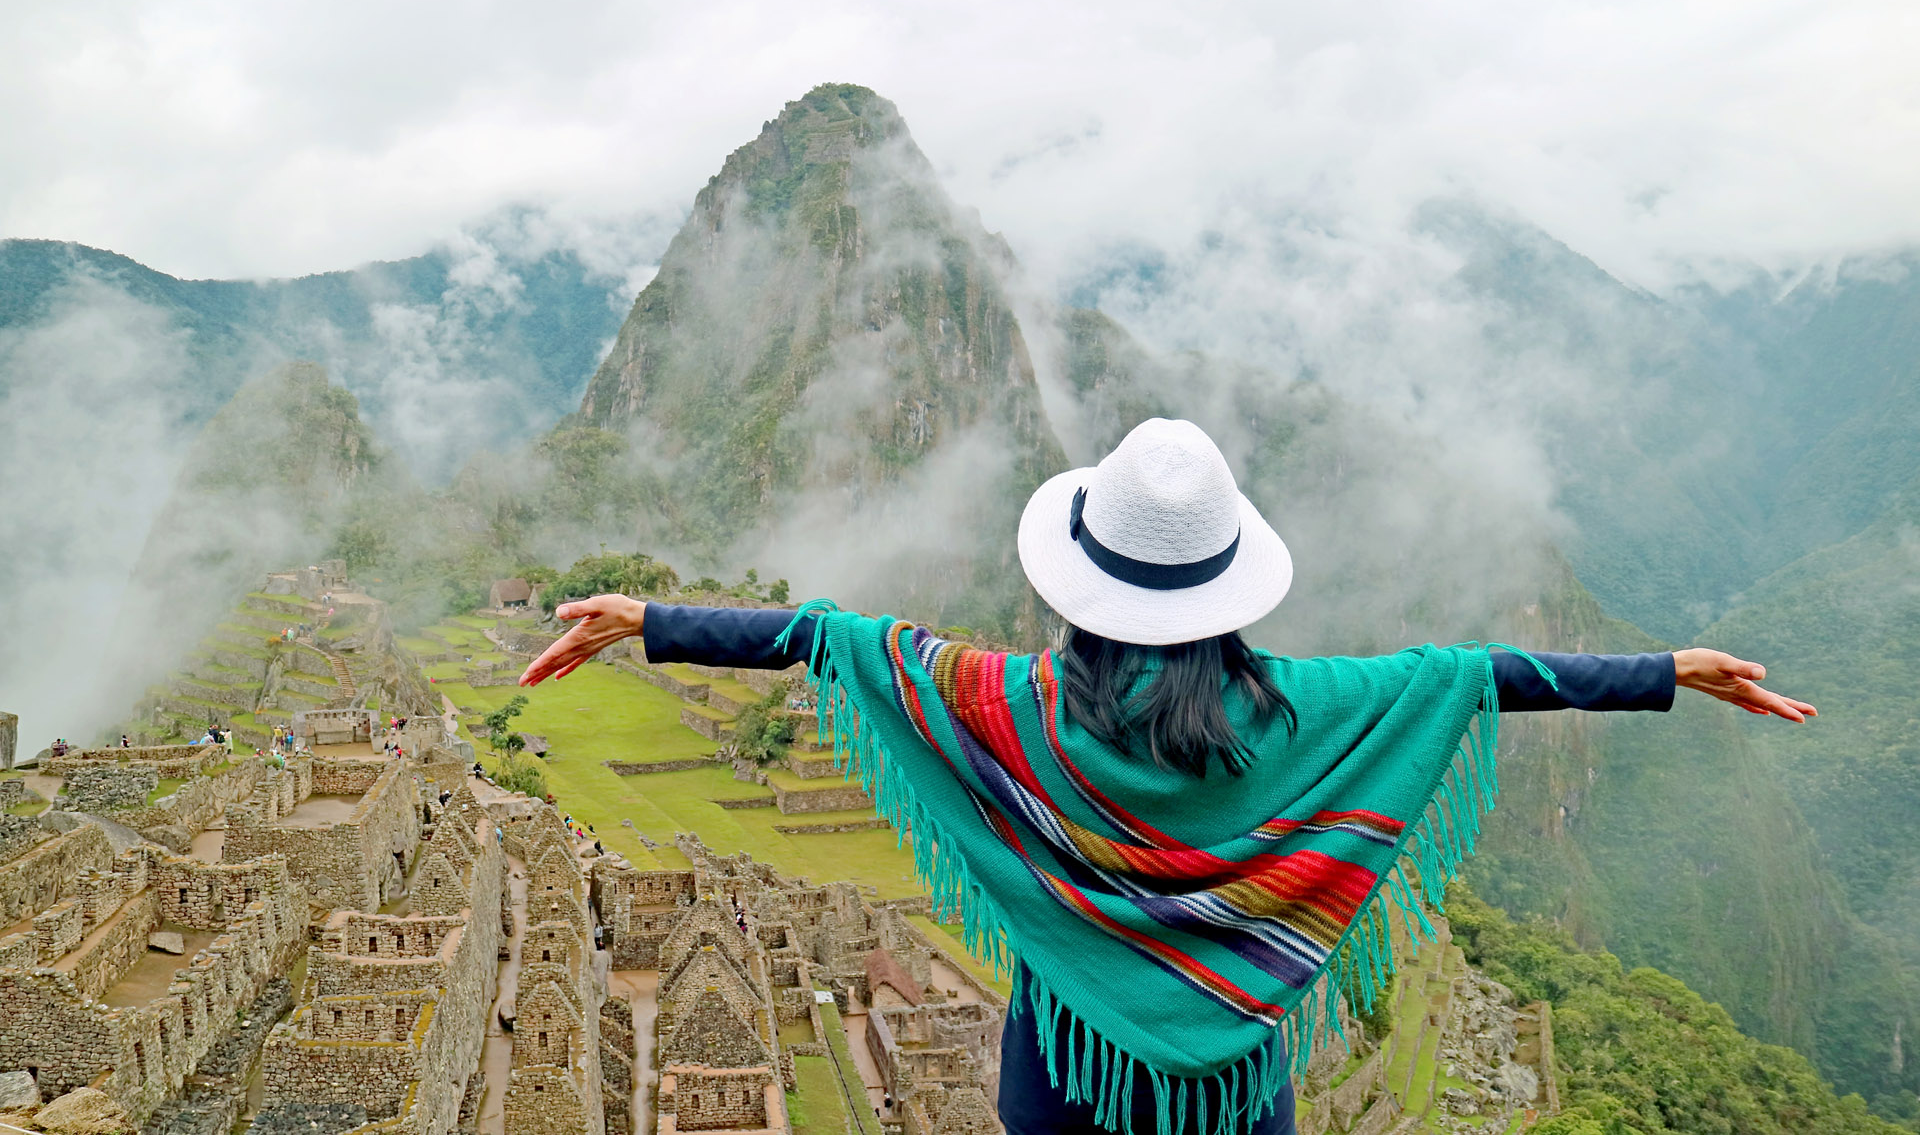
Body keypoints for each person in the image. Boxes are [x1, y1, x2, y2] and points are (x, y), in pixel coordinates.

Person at [520, 419, 1816, 1135]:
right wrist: (1666, 667)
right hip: (1238, 1089)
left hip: (1064, 1072)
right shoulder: (1313, 711)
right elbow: (1478, 675)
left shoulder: (1008, 705)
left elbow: (828, 637)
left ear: (1082, 572)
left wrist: (648, 617)